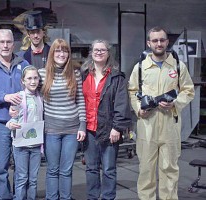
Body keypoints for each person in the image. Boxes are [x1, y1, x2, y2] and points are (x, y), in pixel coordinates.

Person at [128, 26, 195, 200]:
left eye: (162, 40)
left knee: (170, 172)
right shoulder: (140, 67)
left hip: (170, 127)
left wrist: (175, 103)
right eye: (155, 40)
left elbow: (188, 90)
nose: (159, 43)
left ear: (167, 42)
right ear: (148, 43)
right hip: (147, 126)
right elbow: (132, 90)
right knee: (146, 172)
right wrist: (139, 109)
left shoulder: (178, 66)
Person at [0, 29, 29, 200]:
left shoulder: (23, 64)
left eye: (8, 42)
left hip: (21, 123)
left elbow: (31, 88)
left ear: (13, 43)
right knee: (0, 167)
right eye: (1, 42)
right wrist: (4, 97)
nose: (5, 45)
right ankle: (3, 197)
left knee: (21, 168)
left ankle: (19, 196)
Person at [81, 39, 131, 200]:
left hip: (110, 129)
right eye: (96, 49)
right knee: (91, 168)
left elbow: (122, 103)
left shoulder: (117, 77)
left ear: (108, 53)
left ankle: (108, 197)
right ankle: (92, 197)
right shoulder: (84, 75)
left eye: (103, 50)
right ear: (91, 52)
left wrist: (117, 127)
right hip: (89, 129)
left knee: (109, 168)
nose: (99, 52)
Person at [38, 38, 86, 200]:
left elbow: (80, 101)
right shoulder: (42, 74)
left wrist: (83, 126)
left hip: (72, 129)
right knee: (52, 169)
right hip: (51, 130)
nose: (61, 54)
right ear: (52, 54)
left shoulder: (75, 74)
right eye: (58, 51)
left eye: (64, 51)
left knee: (66, 169)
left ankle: (65, 197)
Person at [6, 65, 43, 200]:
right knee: (22, 178)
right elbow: (11, 119)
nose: (33, 81)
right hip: (21, 146)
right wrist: (11, 124)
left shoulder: (41, 97)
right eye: (29, 78)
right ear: (23, 81)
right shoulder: (18, 98)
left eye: (35, 78)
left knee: (33, 179)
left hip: (36, 146)